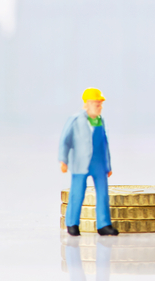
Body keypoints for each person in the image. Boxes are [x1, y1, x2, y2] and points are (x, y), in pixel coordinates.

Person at [59, 87, 118, 236]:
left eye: (100, 104)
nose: (100, 107)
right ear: (87, 104)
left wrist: (108, 165)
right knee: (77, 193)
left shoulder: (101, 121)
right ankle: (72, 223)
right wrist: (63, 160)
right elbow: (65, 141)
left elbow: (105, 144)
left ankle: (104, 224)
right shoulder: (75, 120)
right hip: (80, 163)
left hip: (99, 163)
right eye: (97, 104)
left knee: (103, 194)